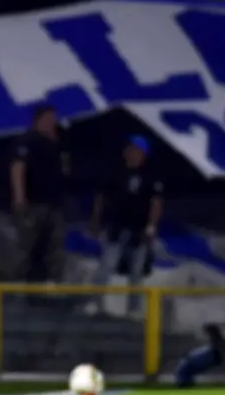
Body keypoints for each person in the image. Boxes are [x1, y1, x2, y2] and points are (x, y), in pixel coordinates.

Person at [84, 136, 162, 318]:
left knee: (136, 272)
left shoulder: (151, 175)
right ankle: (95, 303)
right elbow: (100, 197)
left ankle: (134, 309)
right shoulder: (114, 172)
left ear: (143, 154)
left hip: (139, 228)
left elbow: (156, 202)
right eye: (131, 149)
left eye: (137, 150)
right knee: (106, 265)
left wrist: (151, 226)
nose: (133, 153)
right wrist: (95, 219)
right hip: (116, 225)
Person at [10, 105, 70, 284]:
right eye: (49, 118)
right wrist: (19, 195)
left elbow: (65, 169)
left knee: (54, 246)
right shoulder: (28, 140)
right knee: (27, 245)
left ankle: (49, 284)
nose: (52, 122)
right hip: (33, 202)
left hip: (54, 202)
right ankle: (19, 285)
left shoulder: (58, 143)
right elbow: (18, 167)